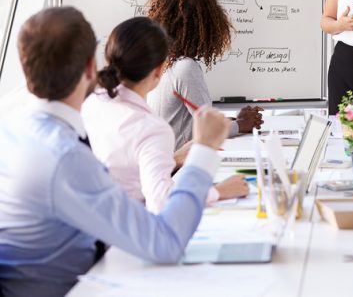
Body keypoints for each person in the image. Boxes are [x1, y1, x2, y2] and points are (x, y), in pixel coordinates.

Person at [0, 7, 230, 296]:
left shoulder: (12, 129)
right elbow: (166, 242)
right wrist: (204, 152)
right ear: (88, 68)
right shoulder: (65, 157)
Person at [82, 17, 249, 214]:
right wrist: (217, 191)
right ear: (160, 69)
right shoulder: (151, 127)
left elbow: (123, 165)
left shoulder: (91, 102)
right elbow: (162, 203)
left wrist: (174, 158)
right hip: (128, 228)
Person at [146, 0, 263, 148]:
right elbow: (210, 129)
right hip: (179, 168)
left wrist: (238, 119)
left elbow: (197, 121)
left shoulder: (161, 62)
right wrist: (241, 124)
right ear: (206, 19)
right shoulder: (185, 68)